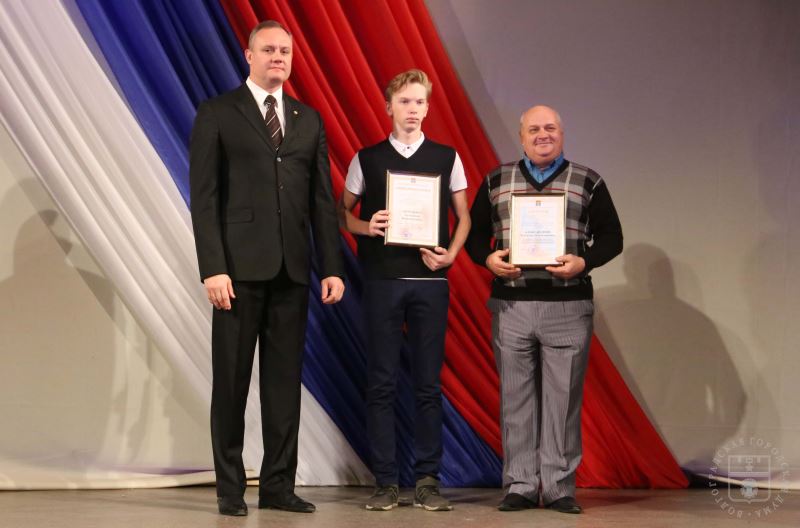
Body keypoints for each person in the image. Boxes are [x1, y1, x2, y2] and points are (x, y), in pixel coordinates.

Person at [189, 20, 345, 517]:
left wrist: (332, 267)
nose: (278, 57)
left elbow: (322, 201)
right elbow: (204, 199)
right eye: (269, 49)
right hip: (236, 274)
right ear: (249, 55)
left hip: (292, 272)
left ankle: (278, 485)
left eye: (285, 51)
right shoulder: (218, 112)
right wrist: (213, 268)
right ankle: (230, 489)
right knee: (231, 384)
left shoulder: (308, 119)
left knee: (283, 386)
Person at [465, 105, 622, 514]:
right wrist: (488, 259)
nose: (542, 135)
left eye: (550, 127)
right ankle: (520, 484)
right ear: (521, 136)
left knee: (562, 401)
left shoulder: (587, 180)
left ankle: (557, 487)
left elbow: (612, 237)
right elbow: (474, 236)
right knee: (515, 399)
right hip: (512, 305)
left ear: (562, 133)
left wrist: (583, 262)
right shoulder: (497, 180)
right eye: (533, 129)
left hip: (568, 306)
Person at [339, 69, 470, 512]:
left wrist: (451, 255)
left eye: (419, 102)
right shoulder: (368, 158)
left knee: (427, 384)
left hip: (430, 284)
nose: (412, 110)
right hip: (382, 281)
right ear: (389, 107)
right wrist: (366, 226)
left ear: (428, 107)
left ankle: (428, 480)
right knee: (381, 382)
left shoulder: (447, 157)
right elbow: (341, 214)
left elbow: (464, 218)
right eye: (404, 102)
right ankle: (386, 481)